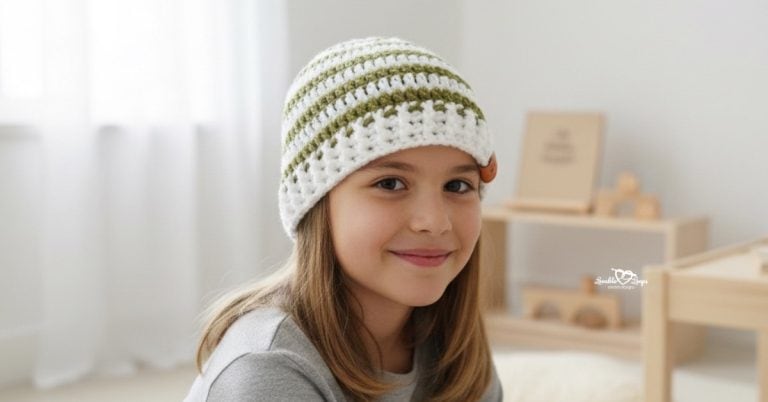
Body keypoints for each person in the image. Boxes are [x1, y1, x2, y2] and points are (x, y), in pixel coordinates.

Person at [185, 36, 502, 402]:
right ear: (316, 202)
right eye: (390, 183)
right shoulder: (267, 371)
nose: (434, 221)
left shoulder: (455, 352)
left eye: (458, 185)